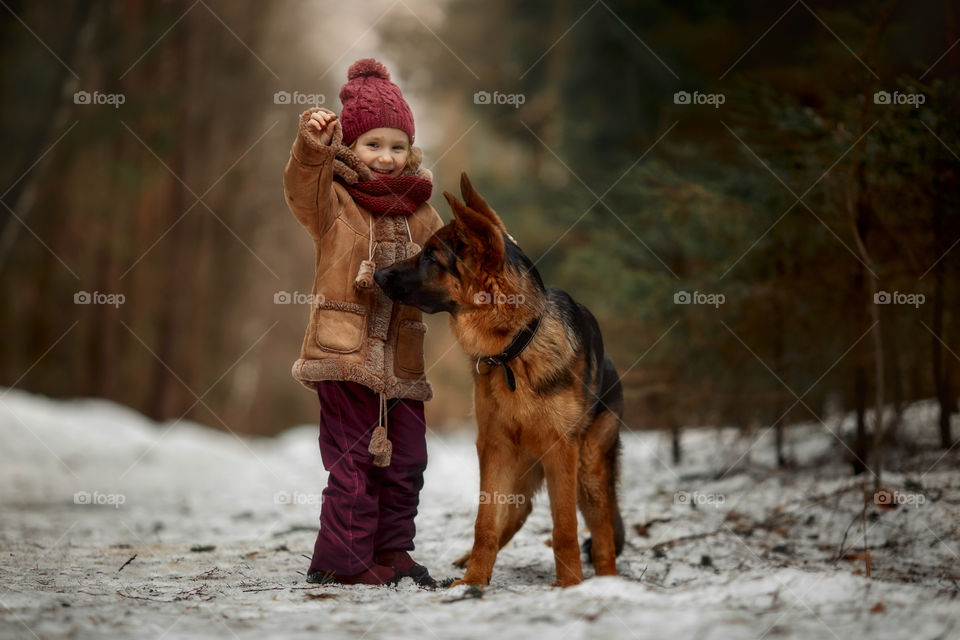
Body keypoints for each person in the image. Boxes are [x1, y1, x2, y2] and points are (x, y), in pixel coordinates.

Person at [281, 58, 443, 587]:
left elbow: (450, 263)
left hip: (402, 358)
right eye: (374, 144)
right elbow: (301, 189)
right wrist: (311, 148)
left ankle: (392, 550)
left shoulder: (423, 212)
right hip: (344, 353)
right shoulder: (336, 200)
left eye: (398, 146)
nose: (387, 158)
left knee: (407, 462)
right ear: (352, 147)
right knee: (353, 464)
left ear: (411, 150)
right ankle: (342, 561)